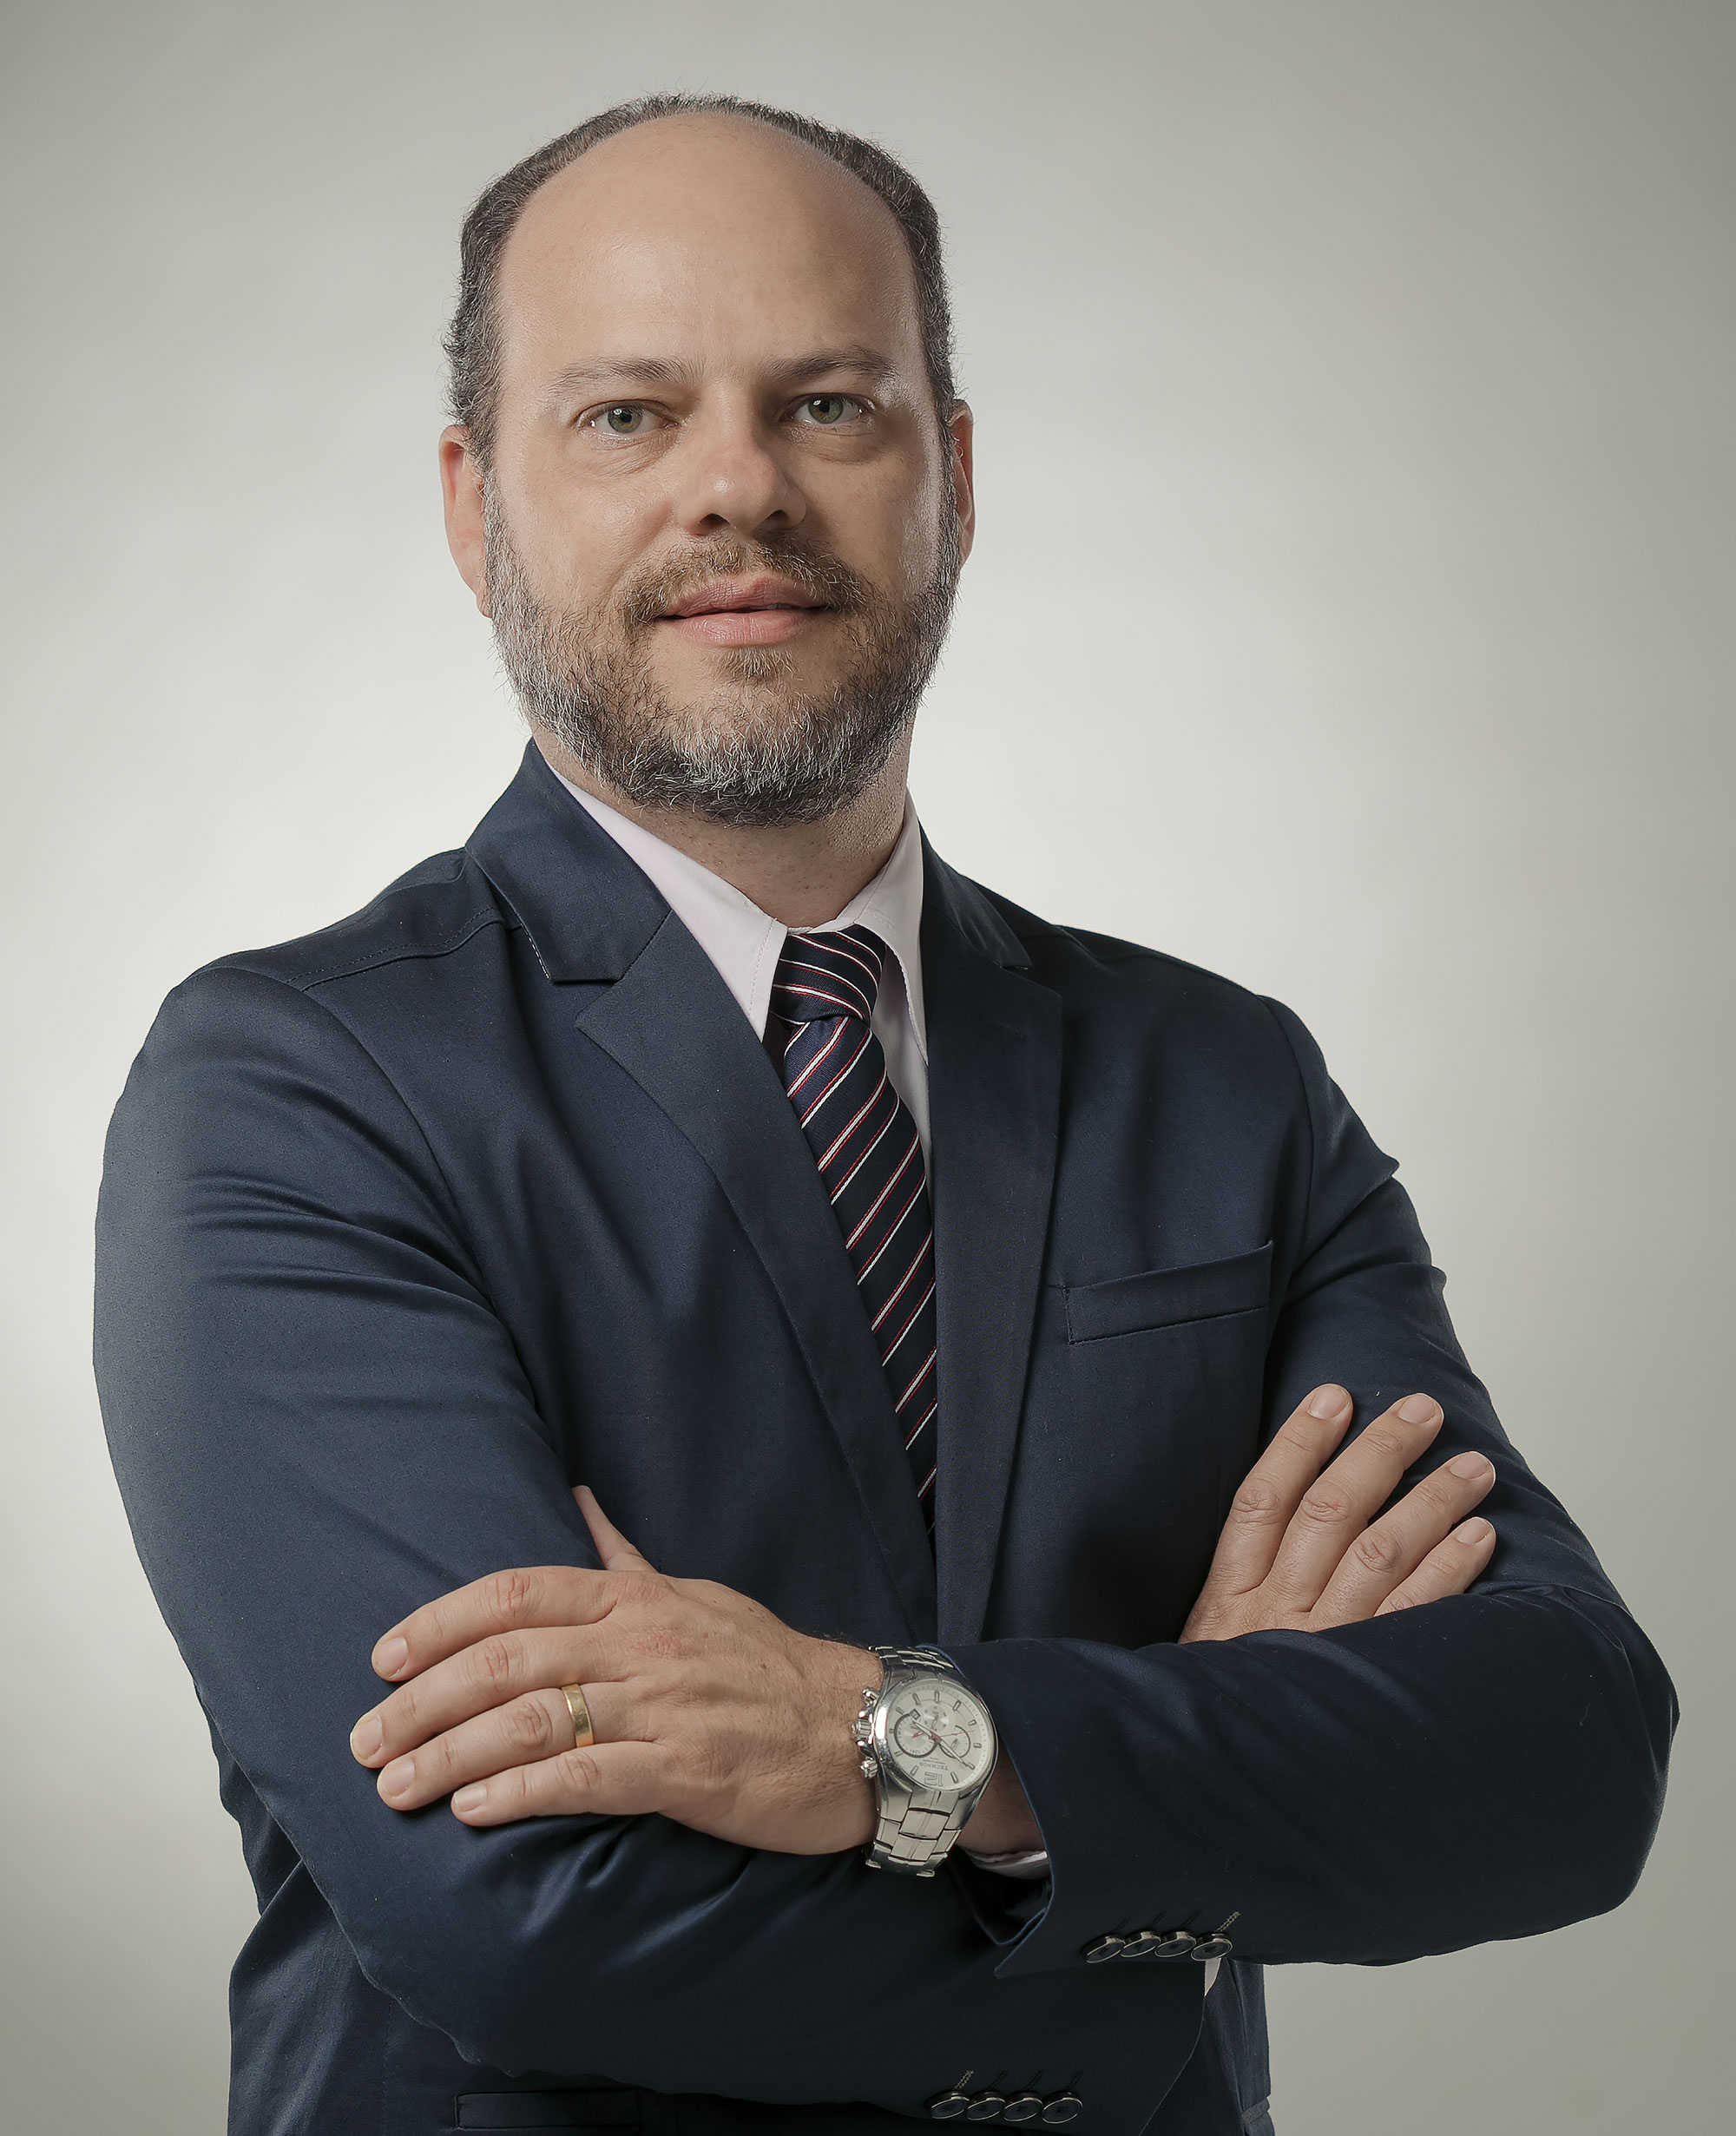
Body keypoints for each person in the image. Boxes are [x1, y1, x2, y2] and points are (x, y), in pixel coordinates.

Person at [95, 94, 1674, 2136]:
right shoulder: (293, 1092)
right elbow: (525, 1915)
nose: (739, 485)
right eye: (628, 415)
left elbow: (1564, 1755)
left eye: (829, 404)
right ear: (475, 509)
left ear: (954, 477)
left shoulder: (1225, 1084)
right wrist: (1167, 1861)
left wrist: (884, 1733)